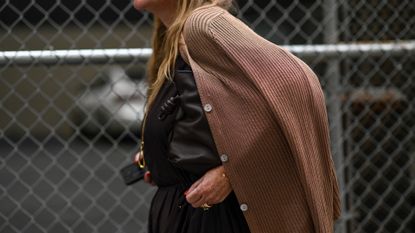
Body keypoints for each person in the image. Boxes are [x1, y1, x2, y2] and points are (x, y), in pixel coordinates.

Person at [133, 0, 341, 232]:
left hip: (214, 216)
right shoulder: (172, 35)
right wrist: (161, 152)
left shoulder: (204, 24)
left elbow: (296, 82)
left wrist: (231, 173)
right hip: (183, 211)